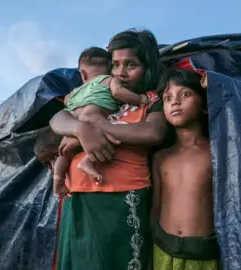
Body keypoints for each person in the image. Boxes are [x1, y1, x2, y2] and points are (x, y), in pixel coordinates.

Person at [49, 29, 166, 270]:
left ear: (148, 68)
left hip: (121, 196)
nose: (120, 73)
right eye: (115, 65)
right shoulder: (100, 93)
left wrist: (98, 128)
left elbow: (153, 133)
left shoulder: (151, 99)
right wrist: (81, 130)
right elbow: (58, 119)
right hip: (77, 194)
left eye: (130, 65)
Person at [53, 47, 150, 197]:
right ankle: (88, 162)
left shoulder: (72, 93)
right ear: (110, 69)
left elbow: (66, 106)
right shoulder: (109, 79)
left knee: (64, 151)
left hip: (74, 121)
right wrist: (139, 99)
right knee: (114, 133)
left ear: (82, 73)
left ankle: (58, 178)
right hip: (94, 116)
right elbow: (118, 92)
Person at [150, 68, 220, 270]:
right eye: (167, 98)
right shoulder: (160, 157)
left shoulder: (217, 152)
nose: (175, 102)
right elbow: (155, 209)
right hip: (162, 249)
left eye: (185, 94)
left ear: (205, 106)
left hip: (203, 255)